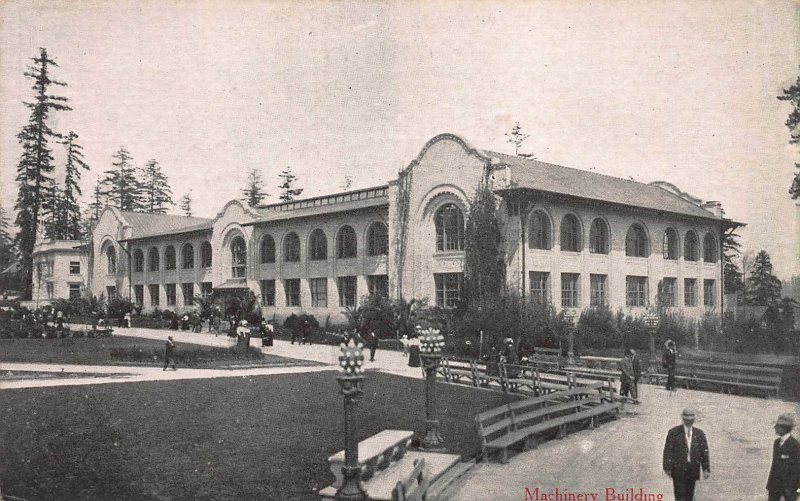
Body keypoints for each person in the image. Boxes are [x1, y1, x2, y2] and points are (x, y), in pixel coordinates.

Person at [663, 408, 710, 501]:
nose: (689, 421)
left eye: (691, 419)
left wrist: (706, 468)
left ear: (694, 420)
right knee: (679, 495)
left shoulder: (699, 434)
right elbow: (668, 450)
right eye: (687, 419)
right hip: (678, 469)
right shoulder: (674, 432)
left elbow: (704, 452)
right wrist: (667, 467)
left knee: (689, 495)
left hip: (692, 469)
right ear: (683, 419)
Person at [767, 413, 800, 501]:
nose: (775, 428)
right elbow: (774, 465)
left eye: (777, 426)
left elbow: (797, 468)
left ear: (784, 428)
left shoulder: (795, 445)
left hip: (789, 488)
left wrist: (797, 489)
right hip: (774, 486)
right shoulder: (776, 442)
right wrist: (770, 485)